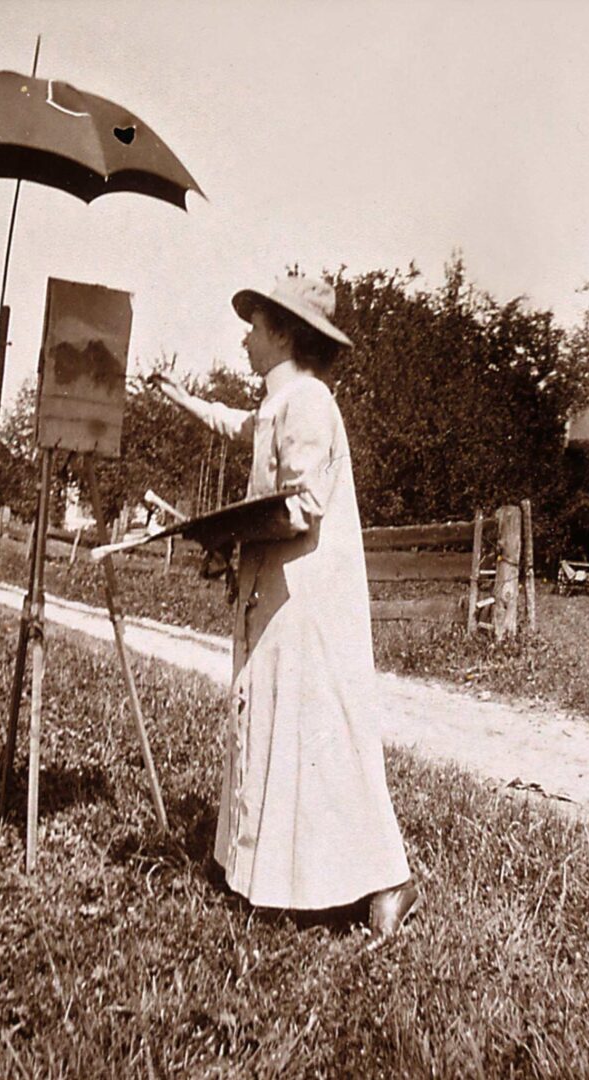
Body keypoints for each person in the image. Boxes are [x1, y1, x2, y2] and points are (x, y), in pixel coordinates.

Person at [152, 275, 418, 942]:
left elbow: (302, 507)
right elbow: (242, 425)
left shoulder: (309, 404)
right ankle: (272, 875)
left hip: (308, 594)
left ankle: (388, 878)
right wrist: (180, 397)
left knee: (321, 727)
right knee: (275, 719)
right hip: (277, 588)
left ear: (282, 335)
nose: (244, 337)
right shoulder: (282, 404)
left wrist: (221, 531)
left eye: (254, 326)